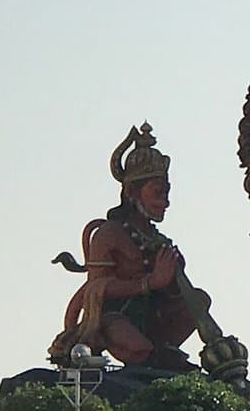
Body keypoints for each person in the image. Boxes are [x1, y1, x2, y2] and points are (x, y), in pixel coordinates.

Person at [48, 123, 210, 369]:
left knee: (199, 300)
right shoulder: (109, 234)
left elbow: (176, 292)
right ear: (133, 192)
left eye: (167, 193)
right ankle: (154, 357)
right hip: (116, 317)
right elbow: (96, 288)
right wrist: (149, 282)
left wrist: (173, 277)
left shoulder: (159, 241)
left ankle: (164, 352)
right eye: (157, 192)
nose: (165, 202)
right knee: (138, 349)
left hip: (154, 314)